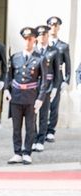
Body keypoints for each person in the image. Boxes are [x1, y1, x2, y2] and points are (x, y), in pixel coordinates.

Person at [5, 27, 48, 165]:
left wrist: (40, 98)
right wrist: (6, 89)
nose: (27, 42)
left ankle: (27, 152)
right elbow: (9, 75)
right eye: (25, 39)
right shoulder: (15, 57)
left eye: (30, 39)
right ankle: (17, 153)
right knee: (16, 128)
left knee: (30, 127)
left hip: (31, 98)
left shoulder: (40, 59)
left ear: (35, 39)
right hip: (16, 97)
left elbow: (44, 81)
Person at [33, 25, 60, 153]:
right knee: (31, 115)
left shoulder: (54, 51)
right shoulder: (32, 51)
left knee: (44, 115)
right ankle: (33, 138)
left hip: (47, 87)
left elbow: (57, 72)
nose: (42, 37)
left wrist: (55, 87)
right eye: (40, 34)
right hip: (32, 87)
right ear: (36, 37)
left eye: (44, 34)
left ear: (48, 36)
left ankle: (40, 140)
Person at [45, 16, 71, 143]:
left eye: (55, 25)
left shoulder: (63, 46)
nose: (53, 27)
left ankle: (50, 131)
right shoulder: (43, 43)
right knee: (42, 104)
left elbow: (68, 64)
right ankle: (41, 130)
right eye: (50, 25)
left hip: (57, 78)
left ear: (59, 27)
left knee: (54, 106)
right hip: (44, 77)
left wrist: (66, 80)